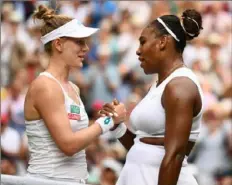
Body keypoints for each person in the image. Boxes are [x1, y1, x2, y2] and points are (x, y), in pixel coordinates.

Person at [23, 5, 126, 184]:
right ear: (58, 44)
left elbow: (79, 139)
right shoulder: (45, 86)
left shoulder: (73, 88)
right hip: (47, 181)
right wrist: (107, 122)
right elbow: (69, 145)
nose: (86, 48)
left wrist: (108, 120)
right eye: (79, 42)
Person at [100, 9, 204, 185]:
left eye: (143, 42)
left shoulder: (180, 87)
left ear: (163, 42)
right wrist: (118, 127)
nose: (138, 51)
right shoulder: (158, 85)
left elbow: (175, 155)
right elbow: (141, 146)